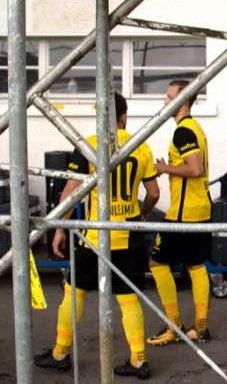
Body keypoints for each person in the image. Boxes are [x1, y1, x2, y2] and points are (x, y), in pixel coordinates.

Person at [35, 92, 160, 379]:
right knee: (128, 298)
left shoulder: (88, 145)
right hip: (129, 234)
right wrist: (142, 213)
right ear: (123, 116)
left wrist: (59, 229)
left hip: (95, 236)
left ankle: (61, 353)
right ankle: (139, 360)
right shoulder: (140, 146)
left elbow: (70, 193)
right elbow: (153, 193)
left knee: (73, 292)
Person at [147, 80, 214, 346]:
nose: (165, 101)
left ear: (182, 100)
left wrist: (164, 170)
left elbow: (195, 168)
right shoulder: (195, 128)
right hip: (201, 208)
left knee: (156, 263)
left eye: (169, 96)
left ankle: (173, 326)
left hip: (183, 213)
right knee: (196, 266)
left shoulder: (183, 132)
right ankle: (201, 327)